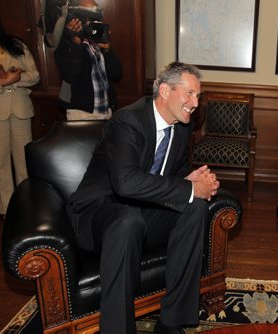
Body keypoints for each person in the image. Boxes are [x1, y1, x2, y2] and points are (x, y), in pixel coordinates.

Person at [66, 62, 219, 334]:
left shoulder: (182, 128)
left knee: (195, 208)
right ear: (164, 90)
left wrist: (192, 181)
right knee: (127, 220)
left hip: (141, 213)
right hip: (100, 213)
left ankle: (172, 321)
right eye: (190, 94)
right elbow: (125, 183)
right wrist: (189, 189)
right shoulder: (127, 121)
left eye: (198, 95)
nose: (196, 103)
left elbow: (174, 173)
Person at [55, 0, 122, 120]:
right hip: (81, 113)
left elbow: (116, 74)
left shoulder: (99, 42)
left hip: (106, 111)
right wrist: (75, 44)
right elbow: (71, 75)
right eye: (89, 16)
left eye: (97, 15)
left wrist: (108, 51)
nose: (93, 20)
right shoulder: (67, 42)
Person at [0, 19, 40, 217]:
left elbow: (34, 75)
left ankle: (27, 207)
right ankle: (7, 210)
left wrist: (15, 79)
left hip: (21, 110)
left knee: (24, 161)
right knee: (1, 163)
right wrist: (3, 83)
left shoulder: (17, 45)